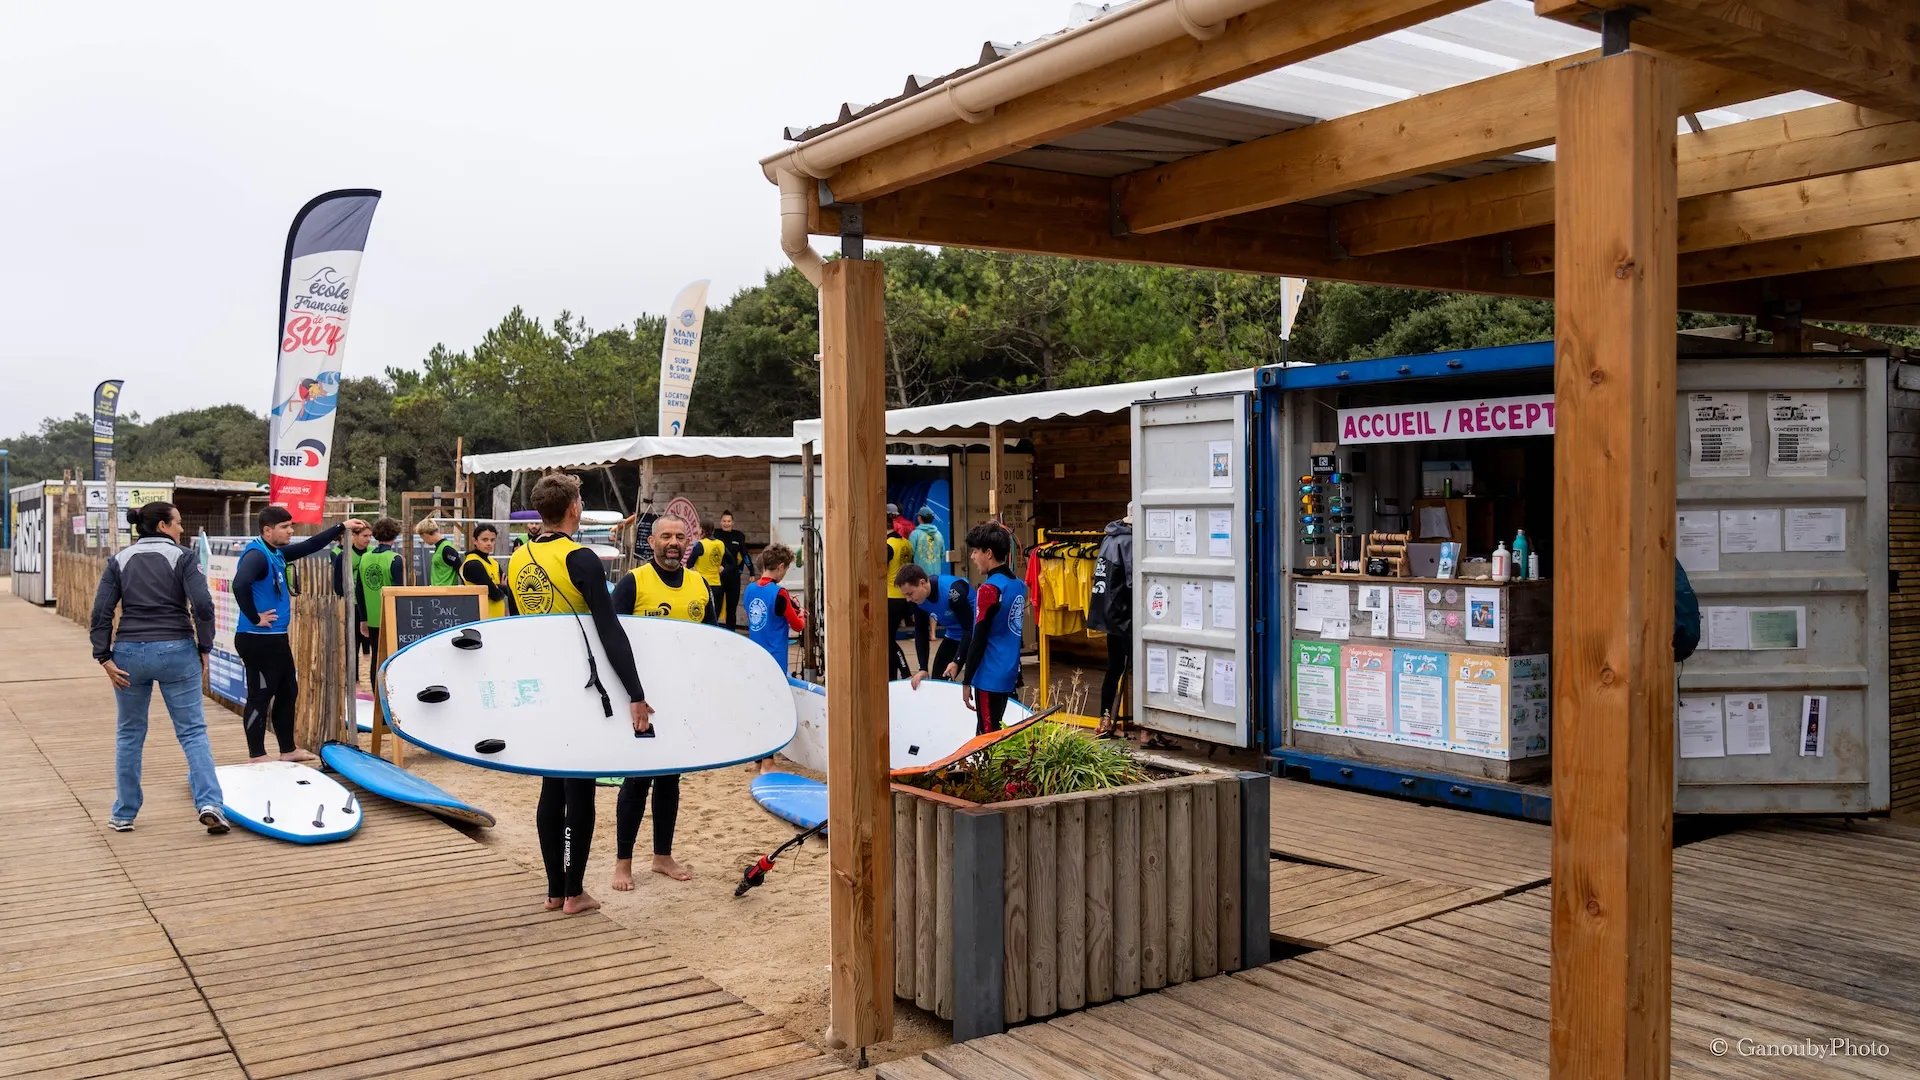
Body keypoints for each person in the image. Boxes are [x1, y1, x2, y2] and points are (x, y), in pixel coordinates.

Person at [507, 472, 653, 915]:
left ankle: (555, 890)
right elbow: (609, 630)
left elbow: (520, 628)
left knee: (552, 786)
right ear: (575, 508)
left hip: (541, 685)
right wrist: (636, 693)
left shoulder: (516, 558)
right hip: (582, 686)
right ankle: (574, 893)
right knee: (580, 789)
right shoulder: (582, 558)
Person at [91, 502, 229, 835]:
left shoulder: (119, 560)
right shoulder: (183, 557)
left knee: (129, 734)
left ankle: (124, 814)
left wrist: (103, 657)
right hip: (176, 652)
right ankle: (210, 803)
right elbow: (204, 607)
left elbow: (101, 612)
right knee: (193, 732)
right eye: (179, 523)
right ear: (164, 526)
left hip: (127, 656)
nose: (183, 529)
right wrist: (205, 647)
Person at [610, 513, 710, 886]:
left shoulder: (700, 585)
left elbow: (712, 642)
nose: (673, 542)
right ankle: (623, 862)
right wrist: (632, 694)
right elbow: (613, 641)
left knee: (670, 778)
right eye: (665, 536)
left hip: (681, 698)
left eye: (679, 537)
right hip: (642, 699)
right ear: (650, 543)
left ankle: (662, 856)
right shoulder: (633, 583)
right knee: (637, 780)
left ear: (689, 543)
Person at [232, 507, 363, 764]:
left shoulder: (276, 552)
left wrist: (341, 527)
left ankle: (287, 749)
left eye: (291, 525)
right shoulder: (258, 555)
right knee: (261, 694)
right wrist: (254, 617)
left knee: (288, 691)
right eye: (285, 527)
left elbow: (311, 545)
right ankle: (257, 754)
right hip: (257, 639)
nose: (291, 531)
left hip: (275, 638)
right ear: (267, 530)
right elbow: (240, 584)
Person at [960, 522, 1027, 735]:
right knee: (994, 729)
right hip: (1008, 670)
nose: (972, 557)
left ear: (988, 553)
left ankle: (989, 769)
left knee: (986, 735)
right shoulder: (1018, 584)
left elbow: (978, 638)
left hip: (989, 674)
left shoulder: (989, 589)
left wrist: (967, 679)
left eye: (975, 551)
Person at [1087, 516, 1133, 738]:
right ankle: (1146, 728)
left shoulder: (1109, 538)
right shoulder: (1129, 541)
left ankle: (1104, 719)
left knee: (1114, 668)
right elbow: (1134, 579)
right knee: (1136, 668)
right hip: (1125, 611)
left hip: (1108, 611)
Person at [894, 563, 973, 690]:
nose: (908, 599)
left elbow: (969, 629)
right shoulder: (917, 600)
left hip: (976, 636)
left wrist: (957, 661)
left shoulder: (952, 592)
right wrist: (923, 668)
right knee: (939, 682)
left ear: (922, 582)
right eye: (905, 595)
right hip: (953, 635)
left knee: (975, 682)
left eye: (910, 594)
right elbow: (921, 630)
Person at [358, 518, 407, 685]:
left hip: (372, 617)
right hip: (390, 616)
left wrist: (363, 618)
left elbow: (359, 590)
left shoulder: (364, 558)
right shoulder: (395, 559)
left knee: (375, 657)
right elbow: (398, 591)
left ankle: (375, 694)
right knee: (392, 656)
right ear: (395, 535)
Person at [744, 543, 804, 675]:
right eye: (786, 570)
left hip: (756, 654)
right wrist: (801, 614)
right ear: (781, 567)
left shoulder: (749, 589)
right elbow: (797, 626)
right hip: (776, 658)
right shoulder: (780, 593)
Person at [884, 517, 924, 680]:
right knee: (889, 638)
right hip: (906, 596)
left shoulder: (888, 546)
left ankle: (904, 671)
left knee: (887, 640)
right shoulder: (906, 543)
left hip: (891, 596)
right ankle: (892, 674)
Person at [331, 520, 375, 663]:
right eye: (365, 536)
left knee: (371, 640)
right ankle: (354, 679)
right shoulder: (343, 556)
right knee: (353, 643)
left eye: (370, 536)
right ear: (354, 536)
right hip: (353, 604)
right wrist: (345, 602)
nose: (368, 539)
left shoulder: (372, 553)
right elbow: (338, 584)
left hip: (369, 603)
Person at [709, 511, 751, 630]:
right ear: (720, 522)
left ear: (733, 523)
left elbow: (744, 554)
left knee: (731, 609)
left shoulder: (738, 536)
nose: (726, 523)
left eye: (729, 521)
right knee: (716, 607)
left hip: (733, 577)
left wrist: (751, 571)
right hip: (718, 576)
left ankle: (731, 633)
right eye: (724, 521)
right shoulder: (715, 534)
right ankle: (714, 632)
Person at [461, 524, 513, 618]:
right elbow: (495, 595)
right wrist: (501, 587)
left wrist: (498, 587)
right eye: (484, 540)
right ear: (475, 541)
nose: (489, 543)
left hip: (497, 618)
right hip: (480, 619)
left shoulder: (494, 563)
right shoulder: (473, 564)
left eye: (492, 540)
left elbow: (509, 590)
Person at [685, 525, 728, 621]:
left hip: (703, 584)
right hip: (717, 584)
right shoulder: (721, 544)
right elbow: (729, 562)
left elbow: (689, 563)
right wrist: (721, 568)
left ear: (702, 530)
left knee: (703, 617)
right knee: (714, 617)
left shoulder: (701, 544)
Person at [417, 518, 462, 587]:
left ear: (425, 535)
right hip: (438, 591)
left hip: (446, 592)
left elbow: (460, 569)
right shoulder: (440, 547)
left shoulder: (447, 549)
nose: (423, 540)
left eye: (422, 537)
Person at [909, 507, 946, 576]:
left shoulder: (915, 534)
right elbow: (942, 555)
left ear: (919, 518)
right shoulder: (939, 534)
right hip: (936, 576)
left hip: (919, 576)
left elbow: (910, 554)